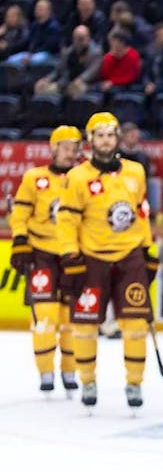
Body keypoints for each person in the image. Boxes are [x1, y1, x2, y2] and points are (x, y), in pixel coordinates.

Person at [56, 112, 157, 411]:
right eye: (99, 135)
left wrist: (148, 250)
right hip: (92, 260)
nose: (105, 140)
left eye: (110, 135)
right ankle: (87, 379)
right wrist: (69, 255)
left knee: (136, 324)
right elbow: (66, 221)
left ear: (117, 139)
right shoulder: (77, 177)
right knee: (85, 327)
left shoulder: (135, 171)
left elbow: (142, 212)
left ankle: (134, 383)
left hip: (130, 257)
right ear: (90, 141)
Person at [9, 126, 83, 397]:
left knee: (71, 319)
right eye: (66, 146)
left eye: (75, 147)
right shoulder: (34, 177)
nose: (71, 152)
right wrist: (20, 241)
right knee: (46, 317)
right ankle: (46, 372)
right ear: (53, 148)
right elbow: (20, 214)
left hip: (73, 254)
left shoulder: (84, 179)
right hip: (42, 253)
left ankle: (70, 370)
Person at [34, 25, 103, 97]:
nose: (80, 41)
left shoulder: (96, 53)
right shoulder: (69, 52)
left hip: (85, 85)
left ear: (88, 37)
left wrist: (81, 79)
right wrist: (47, 79)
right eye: (77, 38)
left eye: (82, 38)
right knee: (40, 87)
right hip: (65, 83)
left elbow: (91, 71)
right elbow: (58, 71)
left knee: (77, 89)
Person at [6, 0, 62, 67]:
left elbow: (49, 46)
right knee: (10, 60)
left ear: (48, 11)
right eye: (37, 8)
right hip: (33, 53)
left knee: (34, 60)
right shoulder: (34, 25)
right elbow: (27, 42)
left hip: (49, 54)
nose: (37, 10)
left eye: (40, 8)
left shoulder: (54, 26)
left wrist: (31, 54)